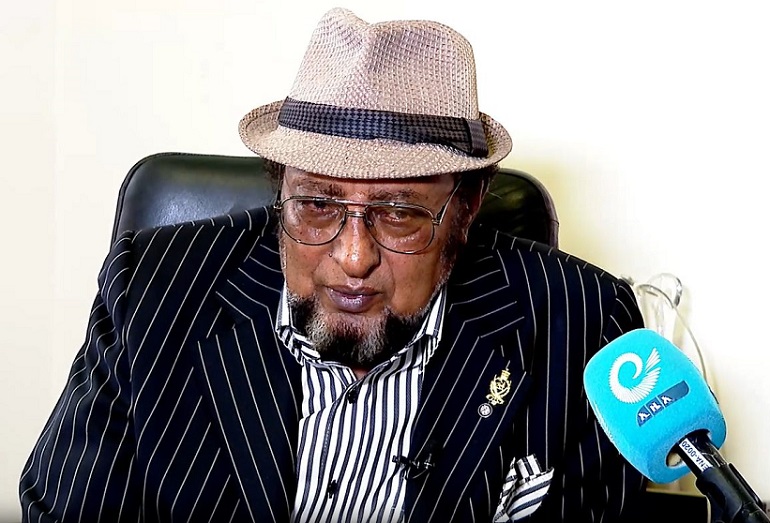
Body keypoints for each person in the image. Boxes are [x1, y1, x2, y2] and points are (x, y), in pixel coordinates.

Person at [20, 7, 646, 522]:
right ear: (279, 187)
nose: (353, 257)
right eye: (317, 205)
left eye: (399, 212)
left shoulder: (585, 323)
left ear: (467, 206)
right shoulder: (153, 288)